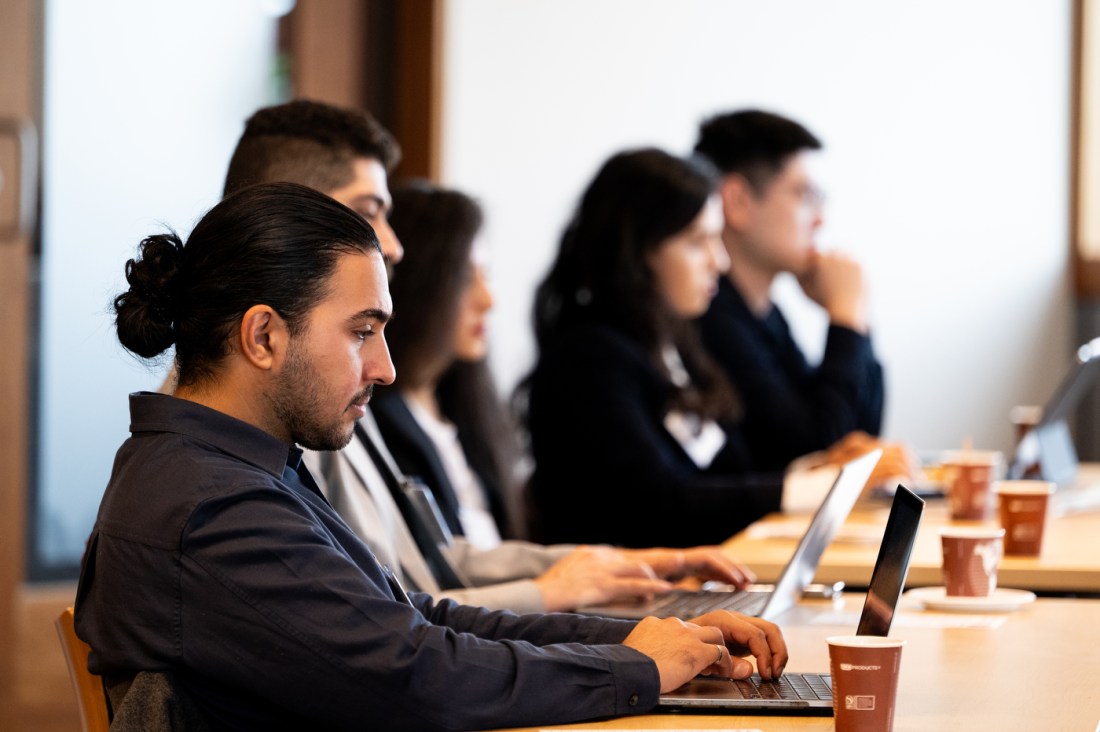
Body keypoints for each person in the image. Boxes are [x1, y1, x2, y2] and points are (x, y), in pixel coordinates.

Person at [75, 182, 788, 730]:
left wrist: (641, 637)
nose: (383, 368)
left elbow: (416, 620)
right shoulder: (211, 506)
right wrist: (632, 670)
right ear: (263, 337)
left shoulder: (234, 470)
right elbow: (414, 674)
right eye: (362, 332)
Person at [219, 100, 757, 613]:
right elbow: (385, 623)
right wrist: (558, 602)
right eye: (369, 213)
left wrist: (595, 568)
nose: (393, 244)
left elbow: (433, 563)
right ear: (285, 214)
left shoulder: (331, 381)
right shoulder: (273, 409)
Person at [358, 179, 757, 612]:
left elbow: (464, 557)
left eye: (486, 275)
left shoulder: (466, 410)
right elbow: (425, 588)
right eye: (464, 278)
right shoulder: (371, 420)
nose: (489, 299)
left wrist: (609, 565)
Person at [519, 147, 799, 549]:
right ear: (636, 250)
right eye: (696, 241)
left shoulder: (671, 345)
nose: (718, 261)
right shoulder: (589, 357)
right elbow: (658, 507)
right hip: (618, 604)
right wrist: (799, 490)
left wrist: (816, 474)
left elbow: (728, 473)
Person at [692, 109, 890, 472]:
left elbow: (857, 440)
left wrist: (856, 323)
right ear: (737, 202)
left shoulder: (765, 315)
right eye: (804, 195)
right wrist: (845, 318)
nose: (819, 220)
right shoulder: (709, 318)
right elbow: (811, 452)